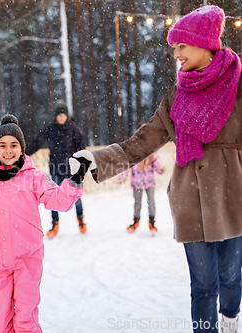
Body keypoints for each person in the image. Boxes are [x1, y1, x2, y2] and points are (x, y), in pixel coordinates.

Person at [71, 6, 242, 333]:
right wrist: (96, 159)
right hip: (192, 201)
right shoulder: (178, 97)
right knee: (204, 285)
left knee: (231, 277)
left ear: (205, 44)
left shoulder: (239, 86)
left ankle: (231, 316)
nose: (175, 54)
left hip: (234, 196)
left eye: (181, 46)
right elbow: (142, 142)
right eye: (174, 47)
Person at [0, 114, 91, 333]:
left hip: (28, 260)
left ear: (22, 149)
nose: (8, 150)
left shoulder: (35, 178)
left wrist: (75, 180)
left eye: (14, 145)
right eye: (2, 145)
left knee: (24, 319)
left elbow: (58, 200)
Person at [25, 102, 87, 238]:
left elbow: (82, 148)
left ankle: (81, 219)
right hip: (55, 168)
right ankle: (55, 223)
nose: (61, 117)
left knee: (76, 196)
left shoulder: (74, 129)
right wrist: (25, 153)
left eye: (63, 115)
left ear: (66, 115)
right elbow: (37, 142)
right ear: (55, 116)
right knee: (53, 196)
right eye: (59, 115)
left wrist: (83, 166)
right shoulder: (50, 129)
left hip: (72, 169)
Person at [117, 152, 165, 234]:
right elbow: (127, 168)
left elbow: (157, 167)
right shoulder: (133, 154)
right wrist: (122, 178)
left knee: (151, 202)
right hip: (137, 183)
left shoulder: (151, 154)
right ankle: (136, 221)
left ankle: (152, 223)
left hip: (150, 182)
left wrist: (161, 169)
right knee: (137, 203)